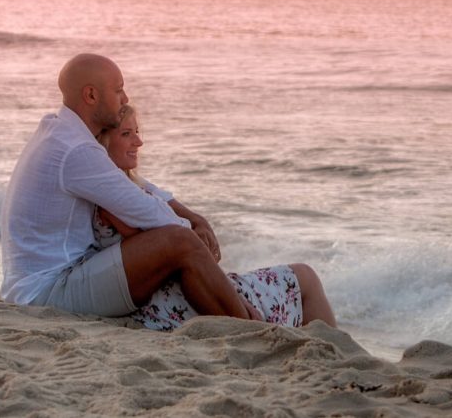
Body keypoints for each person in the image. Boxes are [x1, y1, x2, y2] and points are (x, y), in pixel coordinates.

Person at [1, 54, 256, 320]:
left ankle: (235, 315)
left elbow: (138, 187)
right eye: (119, 89)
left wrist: (194, 218)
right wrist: (194, 238)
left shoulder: (60, 131)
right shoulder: (76, 149)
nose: (125, 99)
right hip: (48, 293)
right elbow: (148, 212)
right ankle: (248, 324)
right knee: (179, 240)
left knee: (181, 236)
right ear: (91, 95)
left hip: (38, 286)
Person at [94, 105, 336, 330]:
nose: (139, 141)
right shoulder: (115, 196)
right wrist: (234, 299)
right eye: (126, 134)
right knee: (304, 277)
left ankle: (324, 358)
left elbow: (180, 233)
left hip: (179, 292)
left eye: (137, 132)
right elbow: (166, 258)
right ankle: (333, 361)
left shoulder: (127, 186)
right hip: (173, 302)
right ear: (102, 142)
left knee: (301, 277)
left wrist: (199, 228)